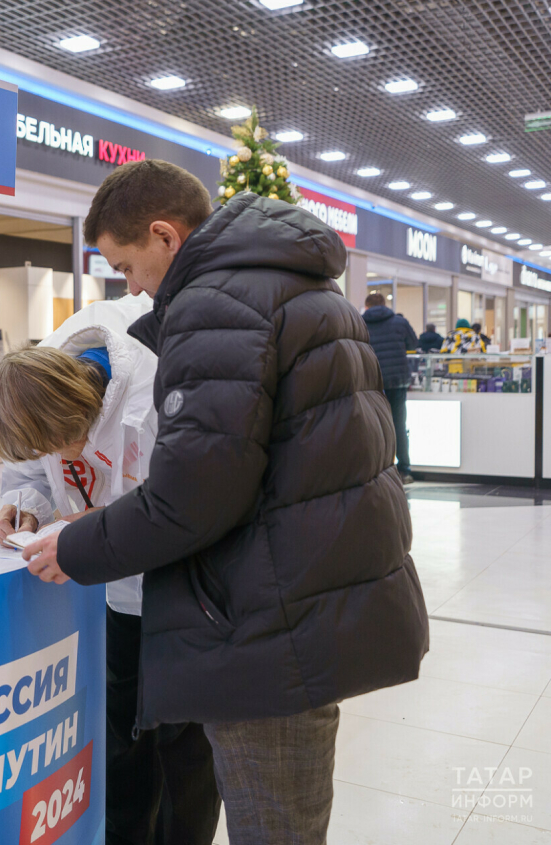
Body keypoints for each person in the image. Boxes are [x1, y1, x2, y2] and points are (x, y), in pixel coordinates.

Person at [22, 160, 429, 844]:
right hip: (302, 604)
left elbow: (193, 494)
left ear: (164, 236)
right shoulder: (297, 286)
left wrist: (75, 545)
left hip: (265, 627)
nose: (131, 286)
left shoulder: (217, 307)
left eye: (128, 265)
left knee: (271, 822)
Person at [0, 295, 221, 845]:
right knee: (122, 741)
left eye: (58, 445)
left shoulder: (156, 390)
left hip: (189, 596)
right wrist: (25, 503)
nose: (57, 457)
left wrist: (95, 525)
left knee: (184, 751)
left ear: (82, 418)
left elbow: (179, 506)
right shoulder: (39, 386)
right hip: (117, 597)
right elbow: (36, 472)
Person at [363, 293, 418, 484]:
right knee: (399, 425)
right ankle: (404, 470)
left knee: (374, 425)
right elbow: (413, 343)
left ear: (367, 306)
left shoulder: (361, 322)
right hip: (397, 380)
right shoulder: (399, 322)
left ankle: (378, 469)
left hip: (372, 382)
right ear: (384, 304)